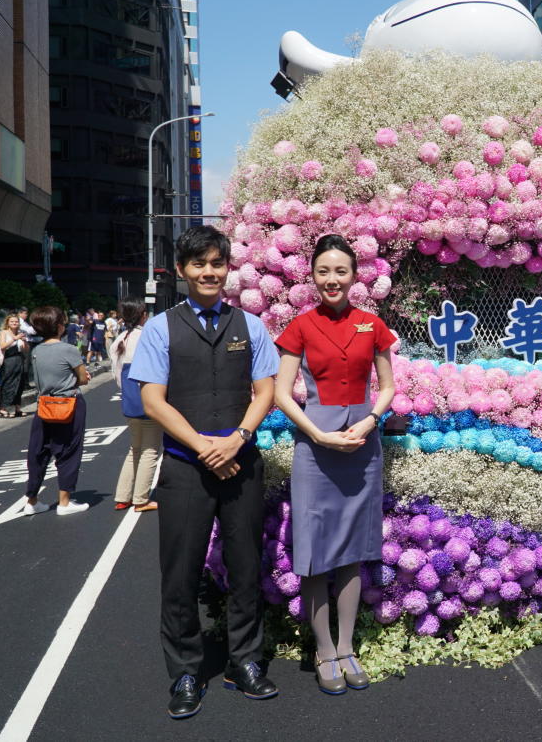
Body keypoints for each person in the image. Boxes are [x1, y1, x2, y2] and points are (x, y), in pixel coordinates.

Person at [130, 225, 280, 719]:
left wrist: (236, 439)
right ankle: (187, 672)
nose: (209, 272)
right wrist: (201, 446)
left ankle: (246, 662)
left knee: (245, 567)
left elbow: (265, 392)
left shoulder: (251, 326)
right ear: (182, 270)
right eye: (199, 264)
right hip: (182, 468)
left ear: (227, 267)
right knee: (180, 573)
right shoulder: (160, 328)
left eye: (217, 263)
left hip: (241, 462)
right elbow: (152, 398)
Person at [273, 234, 396, 695]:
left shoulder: (372, 324)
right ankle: (324, 649)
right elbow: (283, 392)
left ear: (354, 276)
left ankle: (347, 648)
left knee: (351, 551)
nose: (332, 279)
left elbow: (386, 386)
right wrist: (318, 433)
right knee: (315, 552)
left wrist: (369, 422)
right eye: (323, 271)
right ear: (312, 275)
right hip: (315, 446)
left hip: (362, 444)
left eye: (340, 271)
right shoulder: (300, 327)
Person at [23, 305, 91, 516]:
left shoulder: (37, 350)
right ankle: (64, 502)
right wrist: (82, 377)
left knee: (39, 451)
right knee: (69, 450)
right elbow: (81, 377)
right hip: (68, 403)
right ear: (60, 326)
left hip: (44, 404)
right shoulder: (68, 349)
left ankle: (32, 500)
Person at [111, 298, 160, 512]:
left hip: (129, 402)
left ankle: (123, 496)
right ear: (142, 315)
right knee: (150, 450)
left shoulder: (119, 339)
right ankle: (141, 499)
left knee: (135, 449)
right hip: (149, 401)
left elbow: (116, 375)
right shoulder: (147, 337)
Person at [0, 313, 28, 418]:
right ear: (8, 323)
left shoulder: (20, 333)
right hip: (9, 360)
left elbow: (25, 349)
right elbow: (2, 346)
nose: (14, 323)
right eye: (12, 321)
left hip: (19, 359)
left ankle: (17, 408)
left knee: (20, 383)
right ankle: (3, 408)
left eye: (16, 321)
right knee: (8, 383)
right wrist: (15, 338)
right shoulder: (4, 332)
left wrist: (25, 342)